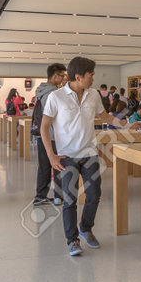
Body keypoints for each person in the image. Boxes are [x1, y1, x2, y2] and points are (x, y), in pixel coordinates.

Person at [42, 56, 106, 257]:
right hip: (66, 156)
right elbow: (44, 126)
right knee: (70, 200)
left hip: (89, 153)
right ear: (78, 77)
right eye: (90, 75)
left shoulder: (94, 95)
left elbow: (105, 116)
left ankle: (85, 228)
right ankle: (72, 240)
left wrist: (128, 125)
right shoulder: (56, 97)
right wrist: (51, 156)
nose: (93, 79)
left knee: (94, 194)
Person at [33, 64, 67, 206]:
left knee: (44, 166)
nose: (63, 78)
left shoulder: (40, 91)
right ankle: (58, 196)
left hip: (42, 135)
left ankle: (40, 196)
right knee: (58, 165)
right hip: (53, 136)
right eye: (62, 75)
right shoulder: (53, 94)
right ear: (55, 75)